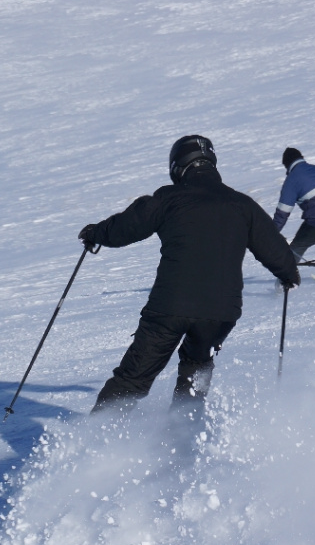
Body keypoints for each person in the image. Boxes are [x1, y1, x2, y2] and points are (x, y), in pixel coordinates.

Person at [79, 135, 300, 415]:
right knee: (195, 375)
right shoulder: (242, 205)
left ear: (177, 166)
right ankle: (184, 445)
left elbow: (129, 225)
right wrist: (288, 273)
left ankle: (95, 445)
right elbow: (276, 249)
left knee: (133, 380)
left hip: (170, 307)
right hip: (221, 312)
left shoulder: (170, 198)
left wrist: (95, 233)